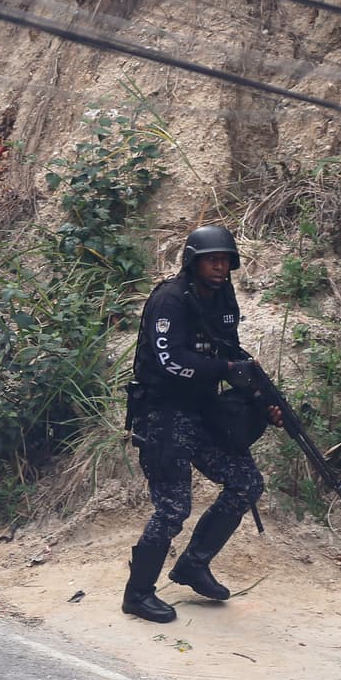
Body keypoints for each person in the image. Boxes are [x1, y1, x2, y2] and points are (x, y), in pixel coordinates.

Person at [122, 225, 281, 623]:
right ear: (193, 262)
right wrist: (226, 368)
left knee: (246, 481)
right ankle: (138, 593)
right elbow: (169, 362)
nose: (220, 267)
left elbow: (230, 347)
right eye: (212, 259)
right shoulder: (169, 301)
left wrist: (262, 397)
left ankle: (193, 564)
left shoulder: (223, 296)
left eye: (226, 260)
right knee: (173, 507)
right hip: (162, 414)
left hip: (203, 410)